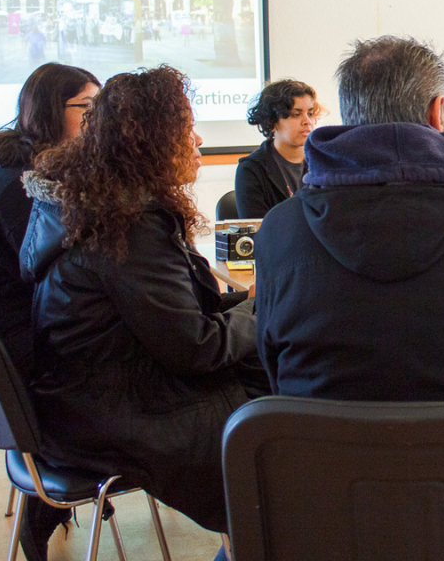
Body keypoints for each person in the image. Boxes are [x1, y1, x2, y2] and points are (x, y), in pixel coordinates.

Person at [21, 65, 264, 558]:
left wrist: (259, 305)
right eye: (185, 128)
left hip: (89, 397)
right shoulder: (127, 229)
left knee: (273, 387)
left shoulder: (94, 208)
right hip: (117, 413)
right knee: (280, 436)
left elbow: (187, 314)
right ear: (149, 142)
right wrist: (263, 308)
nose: (198, 139)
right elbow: (199, 347)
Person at [254, 36, 444, 407]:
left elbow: (275, 374)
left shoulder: (279, 230)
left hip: (327, 460)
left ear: (349, 116)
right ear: (438, 112)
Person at [0, 62, 98, 561]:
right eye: (87, 108)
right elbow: (60, 280)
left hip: (21, 345)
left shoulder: (25, 174)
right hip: (29, 360)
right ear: (49, 113)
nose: (97, 120)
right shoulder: (20, 189)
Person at [235, 79, 321, 218]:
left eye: (310, 113)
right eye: (296, 114)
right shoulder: (252, 169)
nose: (307, 121)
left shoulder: (323, 163)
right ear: (272, 121)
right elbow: (257, 229)